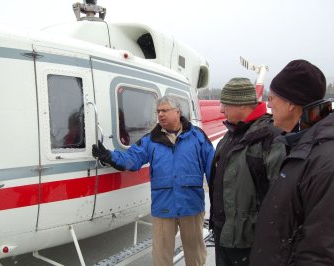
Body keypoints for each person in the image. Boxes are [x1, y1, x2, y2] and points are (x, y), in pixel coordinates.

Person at [92, 95, 215, 266]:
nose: (160, 115)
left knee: (195, 255)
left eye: (165, 110)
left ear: (177, 112)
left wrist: (217, 205)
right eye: (158, 111)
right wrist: (110, 156)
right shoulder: (151, 140)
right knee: (161, 257)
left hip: (191, 206)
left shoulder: (197, 137)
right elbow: (132, 159)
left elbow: (213, 170)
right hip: (163, 206)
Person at [250, 60, 334, 265]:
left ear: (290, 103)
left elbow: (320, 252)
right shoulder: (301, 144)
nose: (269, 105)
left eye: (272, 98)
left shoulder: (325, 161)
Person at [209, 77, 286, 266]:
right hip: (224, 235)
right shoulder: (229, 136)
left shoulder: (272, 138)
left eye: (225, 104)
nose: (220, 109)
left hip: (251, 243)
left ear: (241, 105)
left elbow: (282, 199)